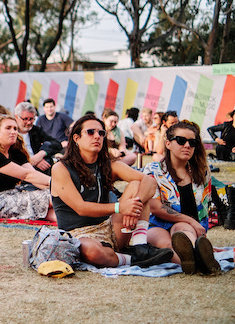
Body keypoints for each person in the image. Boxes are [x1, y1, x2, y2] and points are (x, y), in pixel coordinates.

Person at [50, 115, 175, 268]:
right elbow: (80, 208)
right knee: (92, 252)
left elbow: (149, 181)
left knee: (137, 184)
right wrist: (120, 207)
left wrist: (135, 205)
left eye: (101, 133)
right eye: (90, 132)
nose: (97, 136)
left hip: (111, 228)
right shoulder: (61, 168)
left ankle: (140, 246)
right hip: (77, 234)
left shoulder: (108, 164)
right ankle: (132, 259)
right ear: (76, 138)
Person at [143, 121, 219, 274]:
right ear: (168, 144)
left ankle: (195, 259)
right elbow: (155, 207)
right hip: (157, 224)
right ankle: (201, 263)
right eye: (181, 140)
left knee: (181, 230)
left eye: (192, 142)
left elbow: (205, 208)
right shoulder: (154, 170)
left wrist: (193, 223)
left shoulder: (202, 172)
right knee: (166, 245)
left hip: (190, 227)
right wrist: (190, 220)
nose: (187, 145)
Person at [0, 115, 54, 221]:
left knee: (55, 200)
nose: (13, 132)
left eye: (15, 128)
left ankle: (76, 220)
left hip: (14, 196)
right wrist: (57, 184)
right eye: (8, 128)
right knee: (54, 197)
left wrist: (56, 189)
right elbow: (27, 176)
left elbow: (34, 176)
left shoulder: (15, 152)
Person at [14, 102, 61, 173]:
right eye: (25, 119)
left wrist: (41, 154)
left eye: (31, 119)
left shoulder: (35, 130)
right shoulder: (12, 133)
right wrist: (31, 161)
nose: (29, 122)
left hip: (39, 166)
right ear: (17, 117)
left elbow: (56, 144)